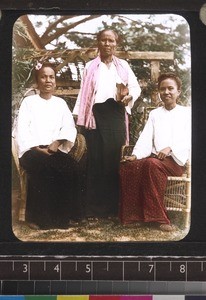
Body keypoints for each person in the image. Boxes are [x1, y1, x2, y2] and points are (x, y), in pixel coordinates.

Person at [73, 29, 141, 218]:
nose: (107, 44)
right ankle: (94, 210)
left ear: (116, 44)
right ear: (98, 43)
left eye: (111, 41)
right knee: (95, 161)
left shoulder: (123, 66)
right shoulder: (90, 67)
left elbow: (135, 87)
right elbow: (83, 93)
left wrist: (129, 96)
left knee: (113, 161)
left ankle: (113, 209)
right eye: (104, 40)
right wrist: (79, 117)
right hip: (95, 116)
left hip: (116, 115)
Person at [119, 73, 191, 231]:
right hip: (156, 160)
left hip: (177, 161)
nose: (166, 92)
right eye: (163, 89)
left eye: (170, 88)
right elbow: (145, 138)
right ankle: (134, 216)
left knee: (152, 164)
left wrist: (171, 148)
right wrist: (135, 155)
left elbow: (190, 138)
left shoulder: (187, 113)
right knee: (129, 166)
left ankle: (159, 218)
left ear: (178, 91)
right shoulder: (155, 114)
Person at [14, 62, 79, 229]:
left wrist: (56, 143)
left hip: (53, 148)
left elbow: (68, 127)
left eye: (51, 77)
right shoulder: (29, 102)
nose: (48, 80)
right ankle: (38, 218)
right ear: (38, 81)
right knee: (45, 168)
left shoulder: (60, 103)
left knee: (70, 166)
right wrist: (37, 148)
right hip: (32, 150)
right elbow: (22, 129)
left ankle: (62, 217)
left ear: (55, 81)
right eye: (43, 77)